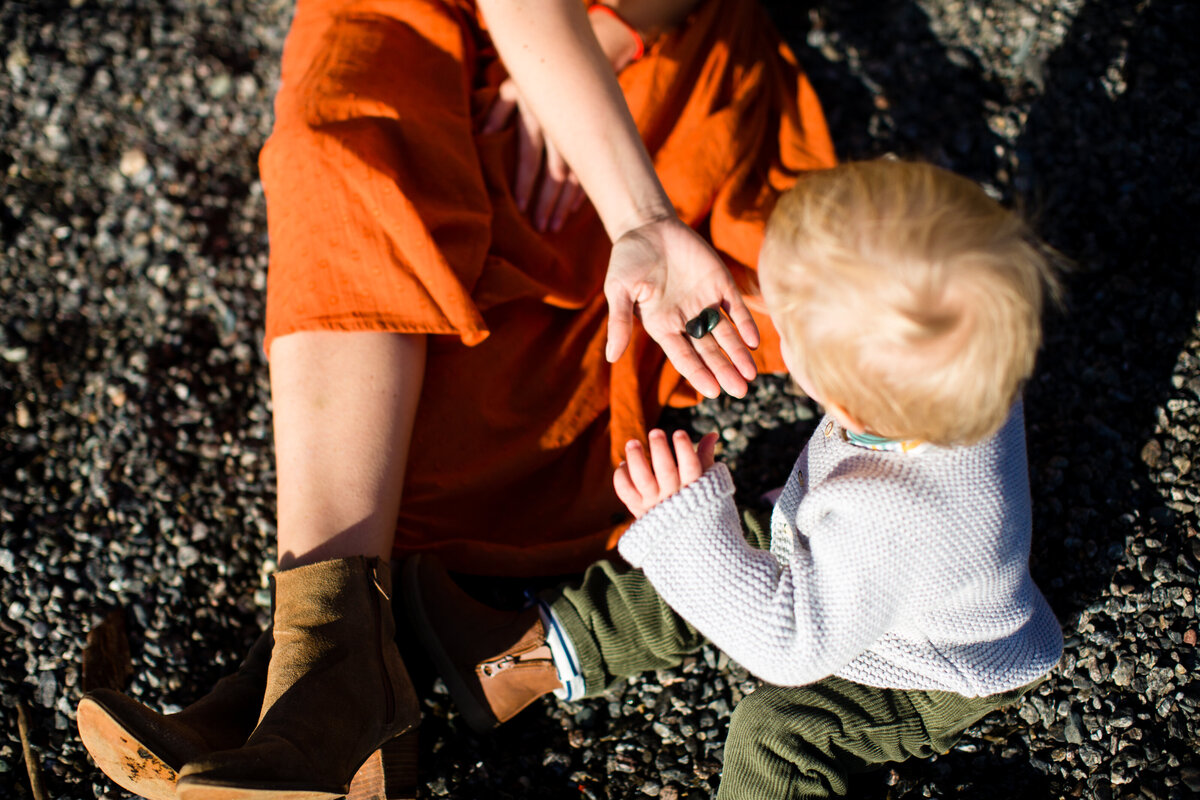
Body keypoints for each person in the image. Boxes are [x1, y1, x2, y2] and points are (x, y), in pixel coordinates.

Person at [77, 0, 836, 798]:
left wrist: (604, 53)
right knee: (341, 151)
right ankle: (322, 681)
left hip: (643, 28)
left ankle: (309, 688)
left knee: (432, 417)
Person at [403, 159, 1066, 799]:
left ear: (845, 402)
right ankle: (520, 663)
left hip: (934, 667)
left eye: (788, 316)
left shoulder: (891, 520)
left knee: (777, 730)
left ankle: (535, 659)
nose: (770, 309)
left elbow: (789, 646)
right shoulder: (963, 358)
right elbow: (865, 339)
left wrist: (685, 530)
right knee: (743, 539)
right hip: (887, 573)